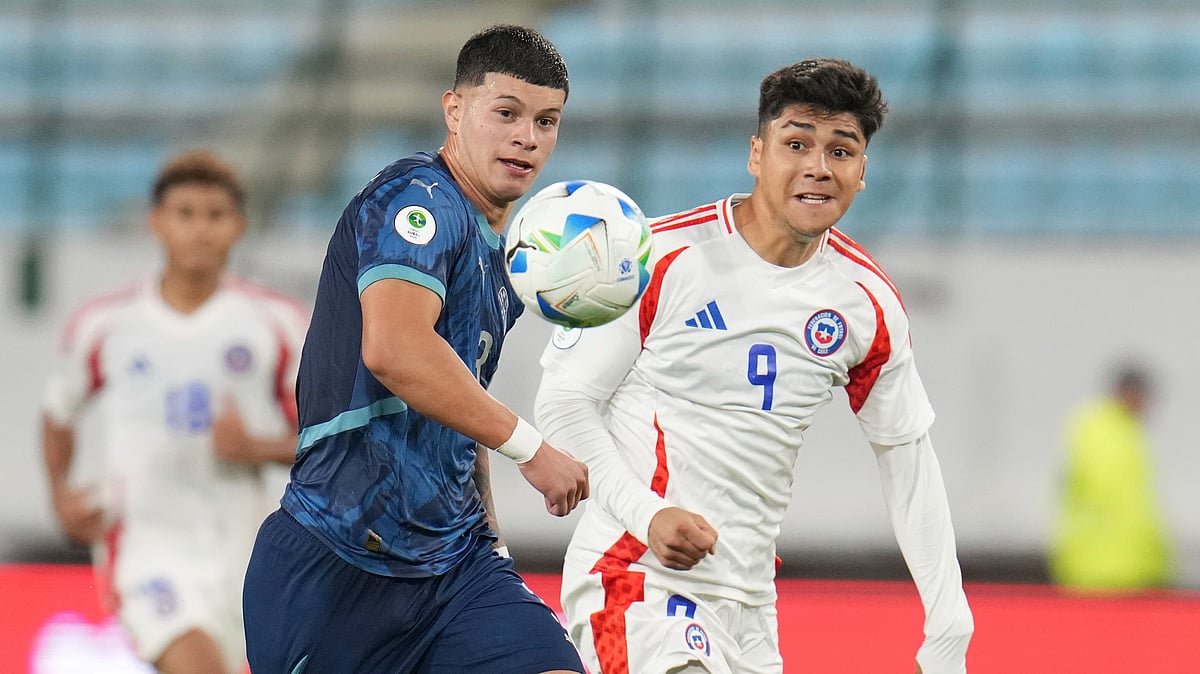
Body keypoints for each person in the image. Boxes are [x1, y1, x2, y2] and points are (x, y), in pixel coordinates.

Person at [535, 58, 974, 674]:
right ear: (756, 153)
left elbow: (906, 456)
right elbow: (563, 402)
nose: (818, 168)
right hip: (635, 577)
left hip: (750, 606)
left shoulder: (865, 302)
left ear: (862, 171)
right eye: (796, 144)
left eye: (840, 151)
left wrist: (950, 617)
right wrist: (648, 513)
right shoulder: (659, 258)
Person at [241, 24, 589, 674]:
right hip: (335, 562)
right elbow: (397, 351)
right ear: (454, 110)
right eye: (507, 113)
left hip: (456, 572)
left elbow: (457, 399)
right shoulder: (417, 200)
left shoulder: (505, 264)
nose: (528, 137)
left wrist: (492, 538)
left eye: (547, 120)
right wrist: (533, 449)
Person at [41, 149, 308, 674]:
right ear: (156, 223)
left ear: (238, 227)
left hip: (245, 554)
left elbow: (326, 438)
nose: (200, 230)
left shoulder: (278, 323)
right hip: (146, 549)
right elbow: (57, 414)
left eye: (215, 216)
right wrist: (60, 497)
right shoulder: (106, 324)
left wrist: (256, 448)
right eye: (185, 214)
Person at [1049, 363, 1173, 591]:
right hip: (1111, 569)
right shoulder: (1111, 435)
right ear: (1130, 393)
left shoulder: (1104, 431)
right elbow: (1128, 506)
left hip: (1097, 565)